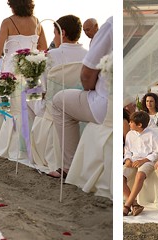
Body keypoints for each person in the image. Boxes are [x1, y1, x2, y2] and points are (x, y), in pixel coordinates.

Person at [47, 14, 111, 178]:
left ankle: (69, 167)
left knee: (57, 102)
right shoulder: (85, 52)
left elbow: (87, 77)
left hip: (102, 106)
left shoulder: (52, 55)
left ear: (62, 33)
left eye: (54, 34)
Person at [123, 110, 158, 216]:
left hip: (148, 161)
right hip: (133, 160)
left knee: (140, 175)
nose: (129, 124)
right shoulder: (129, 134)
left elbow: (157, 152)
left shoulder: (152, 135)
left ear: (139, 125)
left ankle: (127, 205)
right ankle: (134, 204)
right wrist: (127, 159)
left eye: (131, 122)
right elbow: (127, 150)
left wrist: (143, 160)